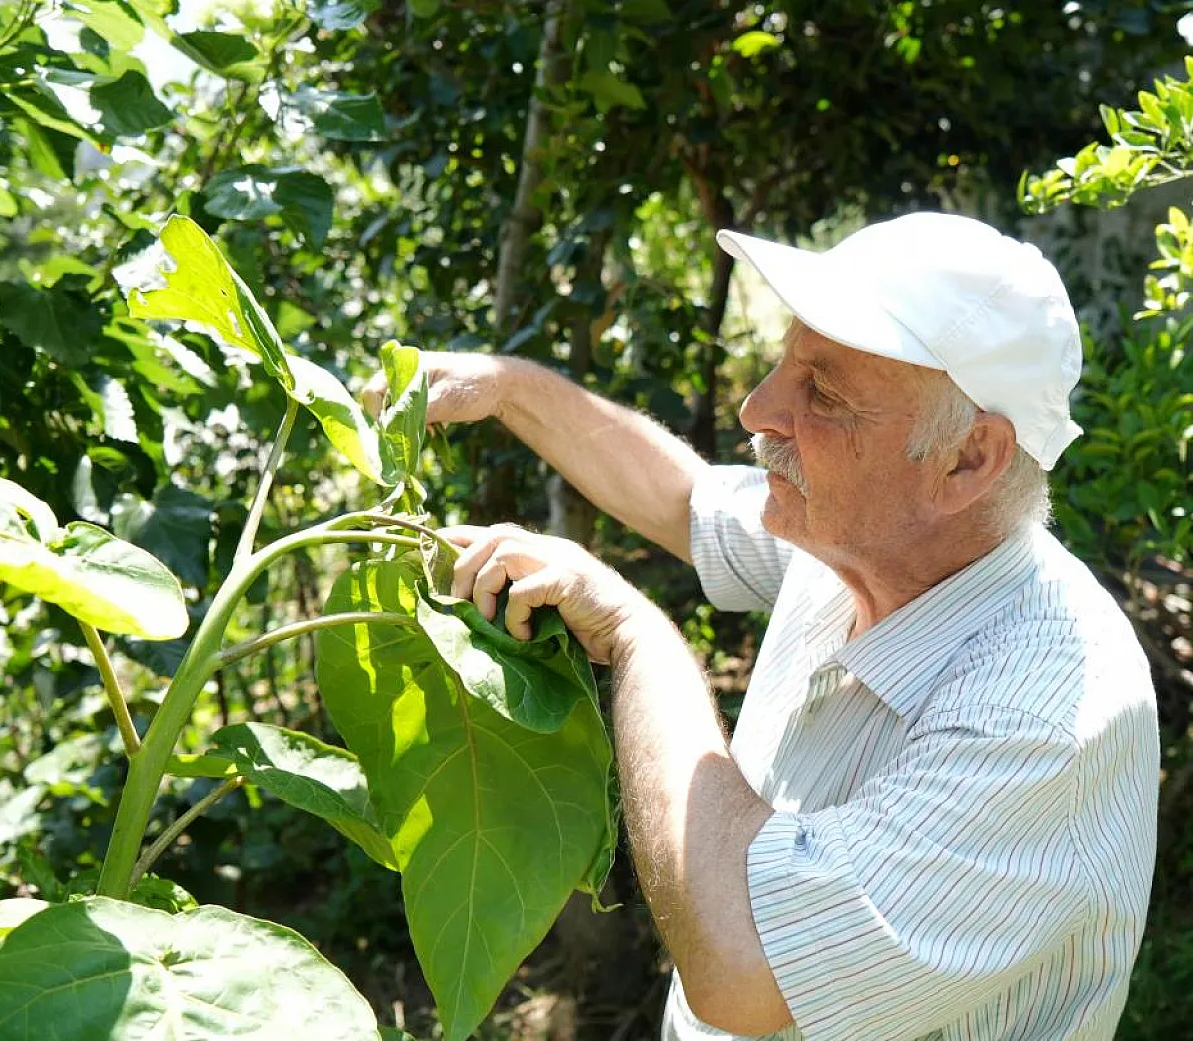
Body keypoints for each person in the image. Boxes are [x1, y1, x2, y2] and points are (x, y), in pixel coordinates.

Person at [366, 213, 1159, 1040]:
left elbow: (743, 969)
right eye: (785, 362)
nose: (757, 408)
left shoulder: (1045, 719)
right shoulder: (857, 541)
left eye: (824, 392)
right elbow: (687, 497)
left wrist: (641, 636)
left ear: (968, 459)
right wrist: (506, 388)